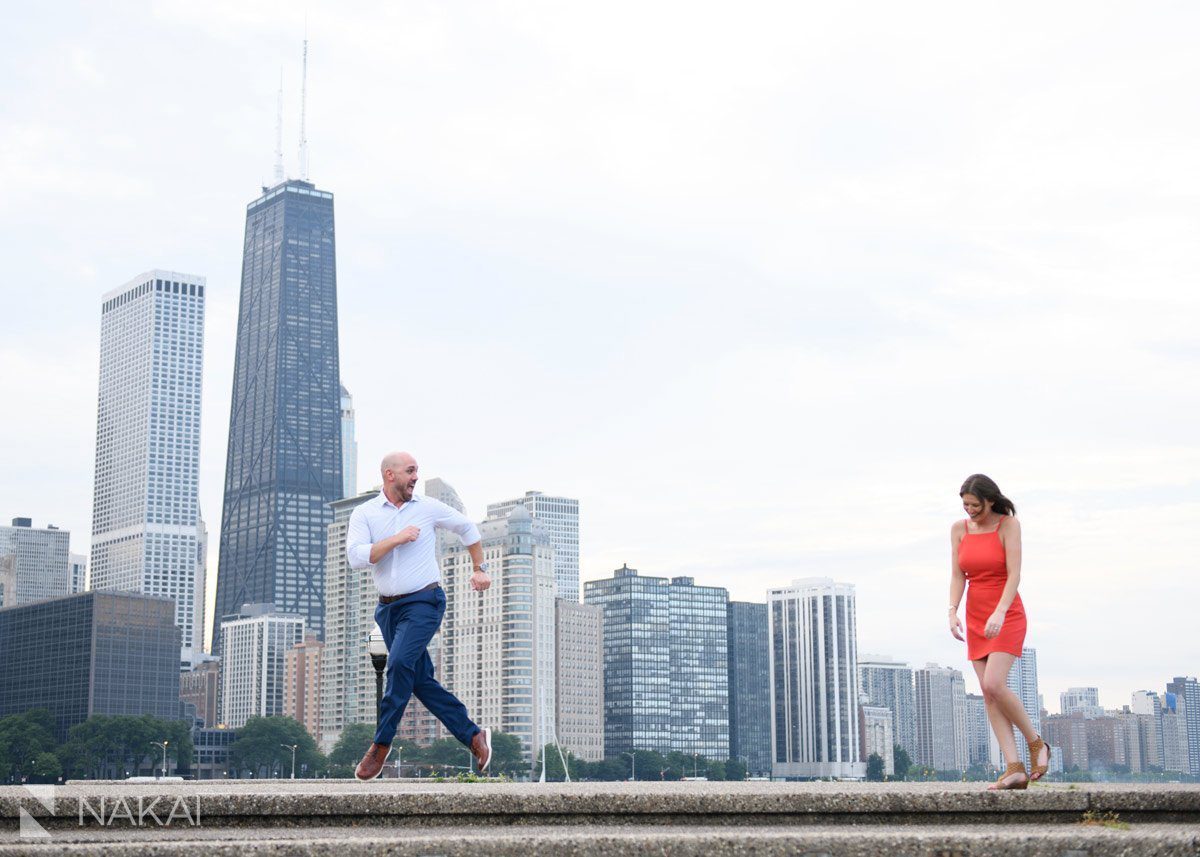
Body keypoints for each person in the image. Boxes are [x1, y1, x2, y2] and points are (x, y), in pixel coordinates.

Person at [346, 451, 493, 781]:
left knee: (398, 664)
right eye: (410, 471)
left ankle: (379, 746)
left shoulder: (427, 508)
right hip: (387, 609)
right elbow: (356, 557)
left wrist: (479, 568)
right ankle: (472, 735)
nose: (415, 477)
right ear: (390, 475)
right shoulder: (365, 513)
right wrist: (397, 539)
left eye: (417, 472)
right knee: (420, 681)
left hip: (425, 601)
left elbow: (468, 529)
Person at [948, 474, 1050, 790]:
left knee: (995, 682)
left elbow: (1014, 574)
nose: (969, 511)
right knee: (988, 694)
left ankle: (1037, 744)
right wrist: (952, 611)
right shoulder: (958, 530)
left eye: (975, 505)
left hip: (1006, 613)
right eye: (965, 505)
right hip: (975, 615)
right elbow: (957, 575)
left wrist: (1000, 611)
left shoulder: (1008, 525)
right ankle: (1014, 768)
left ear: (990, 500)